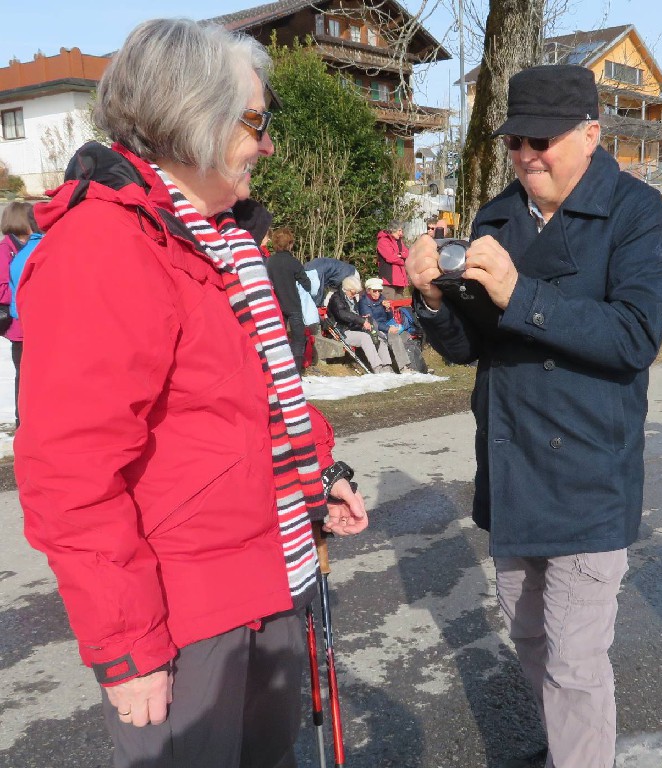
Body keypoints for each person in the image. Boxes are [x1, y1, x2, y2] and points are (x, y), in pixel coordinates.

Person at [13, 19, 368, 768]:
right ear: (192, 115)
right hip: (189, 615)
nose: (268, 143)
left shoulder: (223, 236)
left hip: (272, 578)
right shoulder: (105, 248)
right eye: (254, 121)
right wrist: (127, 648)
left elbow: (261, 396)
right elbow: (70, 474)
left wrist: (319, 471)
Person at [406, 63, 662, 768]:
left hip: (589, 468)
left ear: (591, 132)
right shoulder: (496, 217)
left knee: (576, 660)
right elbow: (471, 347)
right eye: (515, 139)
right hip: (512, 461)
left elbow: (634, 338)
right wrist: (433, 301)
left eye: (542, 140)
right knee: (529, 636)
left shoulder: (635, 213)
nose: (527, 155)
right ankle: (568, 746)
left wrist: (522, 293)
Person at [0, 202, 38, 427]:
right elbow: (2, 290)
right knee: (23, 378)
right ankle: (21, 422)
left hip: (33, 323)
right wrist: (27, 288)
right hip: (19, 328)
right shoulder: (5, 250)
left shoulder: (29, 245)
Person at [326, 275, 394, 373]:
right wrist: (362, 321)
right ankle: (377, 367)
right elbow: (343, 314)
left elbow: (354, 314)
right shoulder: (336, 298)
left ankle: (387, 365)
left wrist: (364, 319)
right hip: (342, 331)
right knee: (365, 337)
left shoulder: (351, 297)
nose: (355, 294)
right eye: (353, 292)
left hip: (354, 328)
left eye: (356, 292)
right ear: (347, 289)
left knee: (377, 335)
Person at [266, 226, 311, 371]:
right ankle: (296, 371)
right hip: (293, 305)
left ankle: (278, 369)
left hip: (276, 305)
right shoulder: (294, 263)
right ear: (290, 244)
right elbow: (307, 285)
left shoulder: (269, 262)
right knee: (298, 339)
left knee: (277, 339)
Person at [358, 276, 416, 373]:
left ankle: (415, 364)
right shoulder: (364, 303)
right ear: (368, 291)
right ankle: (402, 367)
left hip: (385, 326)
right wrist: (388, 329)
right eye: (374, 291)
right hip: (373, 328)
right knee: (393, 336)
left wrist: (388, 309)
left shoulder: (382, 299)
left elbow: (389, 318)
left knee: (405, 335)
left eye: (379, 291)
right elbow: (371, 321)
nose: (377, 294)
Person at [376, 219, 409, 300]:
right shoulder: (383, 241)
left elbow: (407, 253)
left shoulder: (399, 241)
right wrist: (403, 260)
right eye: (399, 230)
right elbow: (391, 257)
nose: (401, 233)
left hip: (400, 280)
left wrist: (400, 255)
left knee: (400, 306)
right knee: (389, 306)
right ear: (393, 230)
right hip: (389, 280)